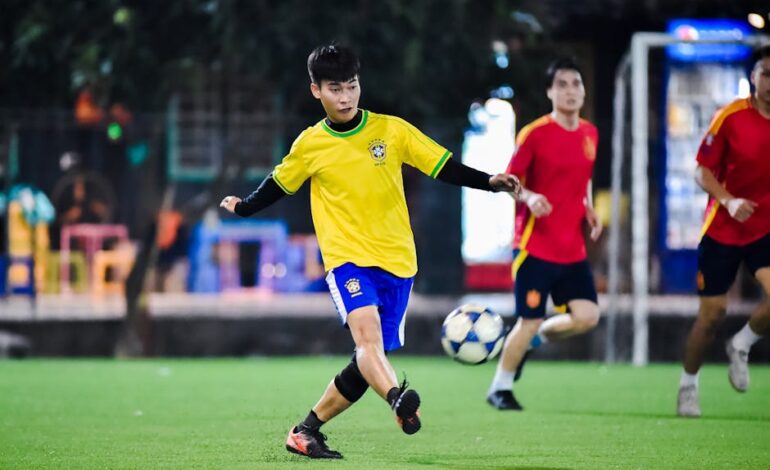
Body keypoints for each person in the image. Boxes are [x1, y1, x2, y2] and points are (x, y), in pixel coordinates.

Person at [219, 44, 521, 458]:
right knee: (368, 341)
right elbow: (279, 183)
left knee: (366, 361)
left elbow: (441, 164)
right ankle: (398, 398)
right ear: (316, 91)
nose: (345, 97)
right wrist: (244, 207)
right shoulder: (311, 144)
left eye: (351, 86)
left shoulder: (391, 131)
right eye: (334, 89)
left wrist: (490, 181)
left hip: (398, 262)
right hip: (346, 261)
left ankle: (306, 431)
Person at [486, 58, 602, 411]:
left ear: (583, 91)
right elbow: (510, 182)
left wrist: (589, 206)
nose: (570, 91)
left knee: (588, 317)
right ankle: (500, 388)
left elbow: (583, 178)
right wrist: (531, 196)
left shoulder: (590, 133)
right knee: (530, 318)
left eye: (576, 84)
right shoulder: (534, 134)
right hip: (534, 247)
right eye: (562, 85)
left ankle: (532, 341)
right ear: (550, 92)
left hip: (573, 249)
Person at [676, 46, 770, 418]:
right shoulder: (730, 117)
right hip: (723, 229)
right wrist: (729, 201)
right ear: (753, 78)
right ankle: (688, 385)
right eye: (766, 73)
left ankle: (742, 343)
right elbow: (701, 171)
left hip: (764, 229)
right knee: (712, 315)